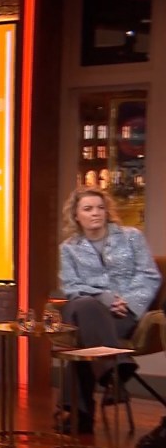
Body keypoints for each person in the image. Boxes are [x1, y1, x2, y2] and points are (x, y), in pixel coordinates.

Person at [57, 186, 161, 434]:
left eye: (100, 208)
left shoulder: (131, 237)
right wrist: (105, 298)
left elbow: (149, 275)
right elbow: (71, 286)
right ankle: (115, 372)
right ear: (76, 215)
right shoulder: (69, 248)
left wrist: (128, 302)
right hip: (85, 307)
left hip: (123, 313)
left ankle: (80, 414)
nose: (95, 213)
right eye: (88, 209)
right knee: (84, 304)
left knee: (85, 340)